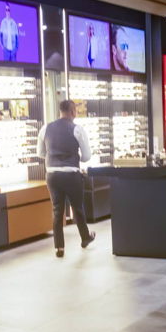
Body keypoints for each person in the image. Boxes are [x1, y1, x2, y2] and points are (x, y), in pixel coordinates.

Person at [36, 100, 95, 258]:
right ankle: (85, 238)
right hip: (71, 174)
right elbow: (87, 156)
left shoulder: (45, 128)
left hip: (52, 174)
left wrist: (53, 156)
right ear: (73, 111)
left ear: (60, 111)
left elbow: (40, 153)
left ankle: (59, 248)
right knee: (77, 208)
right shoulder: (77, 129)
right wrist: (74, 158)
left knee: (57, 210)